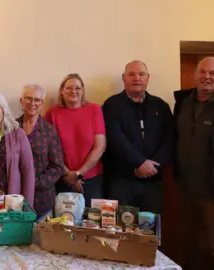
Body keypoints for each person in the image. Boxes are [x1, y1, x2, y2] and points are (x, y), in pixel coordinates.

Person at [175, 56, 214, 270]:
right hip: (187, 190)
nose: (207, 77)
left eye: (212, 73)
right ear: (195, 74)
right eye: (202, 72)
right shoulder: (183, 103)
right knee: (190, 246)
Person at [102, 60, 174, 214]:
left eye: (141, 74)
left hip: (153, 181)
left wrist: (152, 166)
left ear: (148, 78)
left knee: (150, 232)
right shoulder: (112, 104)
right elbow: (114, 138)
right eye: (131, 74)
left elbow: (169, 139)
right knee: (120, 231)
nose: (137, 78)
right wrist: (139, 163)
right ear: (124, 78)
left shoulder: (160, 106)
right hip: (121, 180)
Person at [45, 74, 106, 207]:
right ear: (62, 91)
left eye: (78, 88)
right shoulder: (52, 113)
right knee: (63, 222)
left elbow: (100, 147)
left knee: (91, 222)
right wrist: (68, 174)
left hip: (91, 179)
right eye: (69, 88)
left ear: (83, 91)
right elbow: (50, 149)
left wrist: (78, 174)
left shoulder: (95, 110)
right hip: (62, 178)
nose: (74, 91)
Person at [16, 84, 65, 217]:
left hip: (42, 198)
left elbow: (57, 166)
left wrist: (33, 182)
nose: (32, 103)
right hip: (15, 196)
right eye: (28, 98)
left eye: (37, 100)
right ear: (21, 100)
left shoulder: (49, 130)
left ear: (42, 103)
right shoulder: (11, 128)